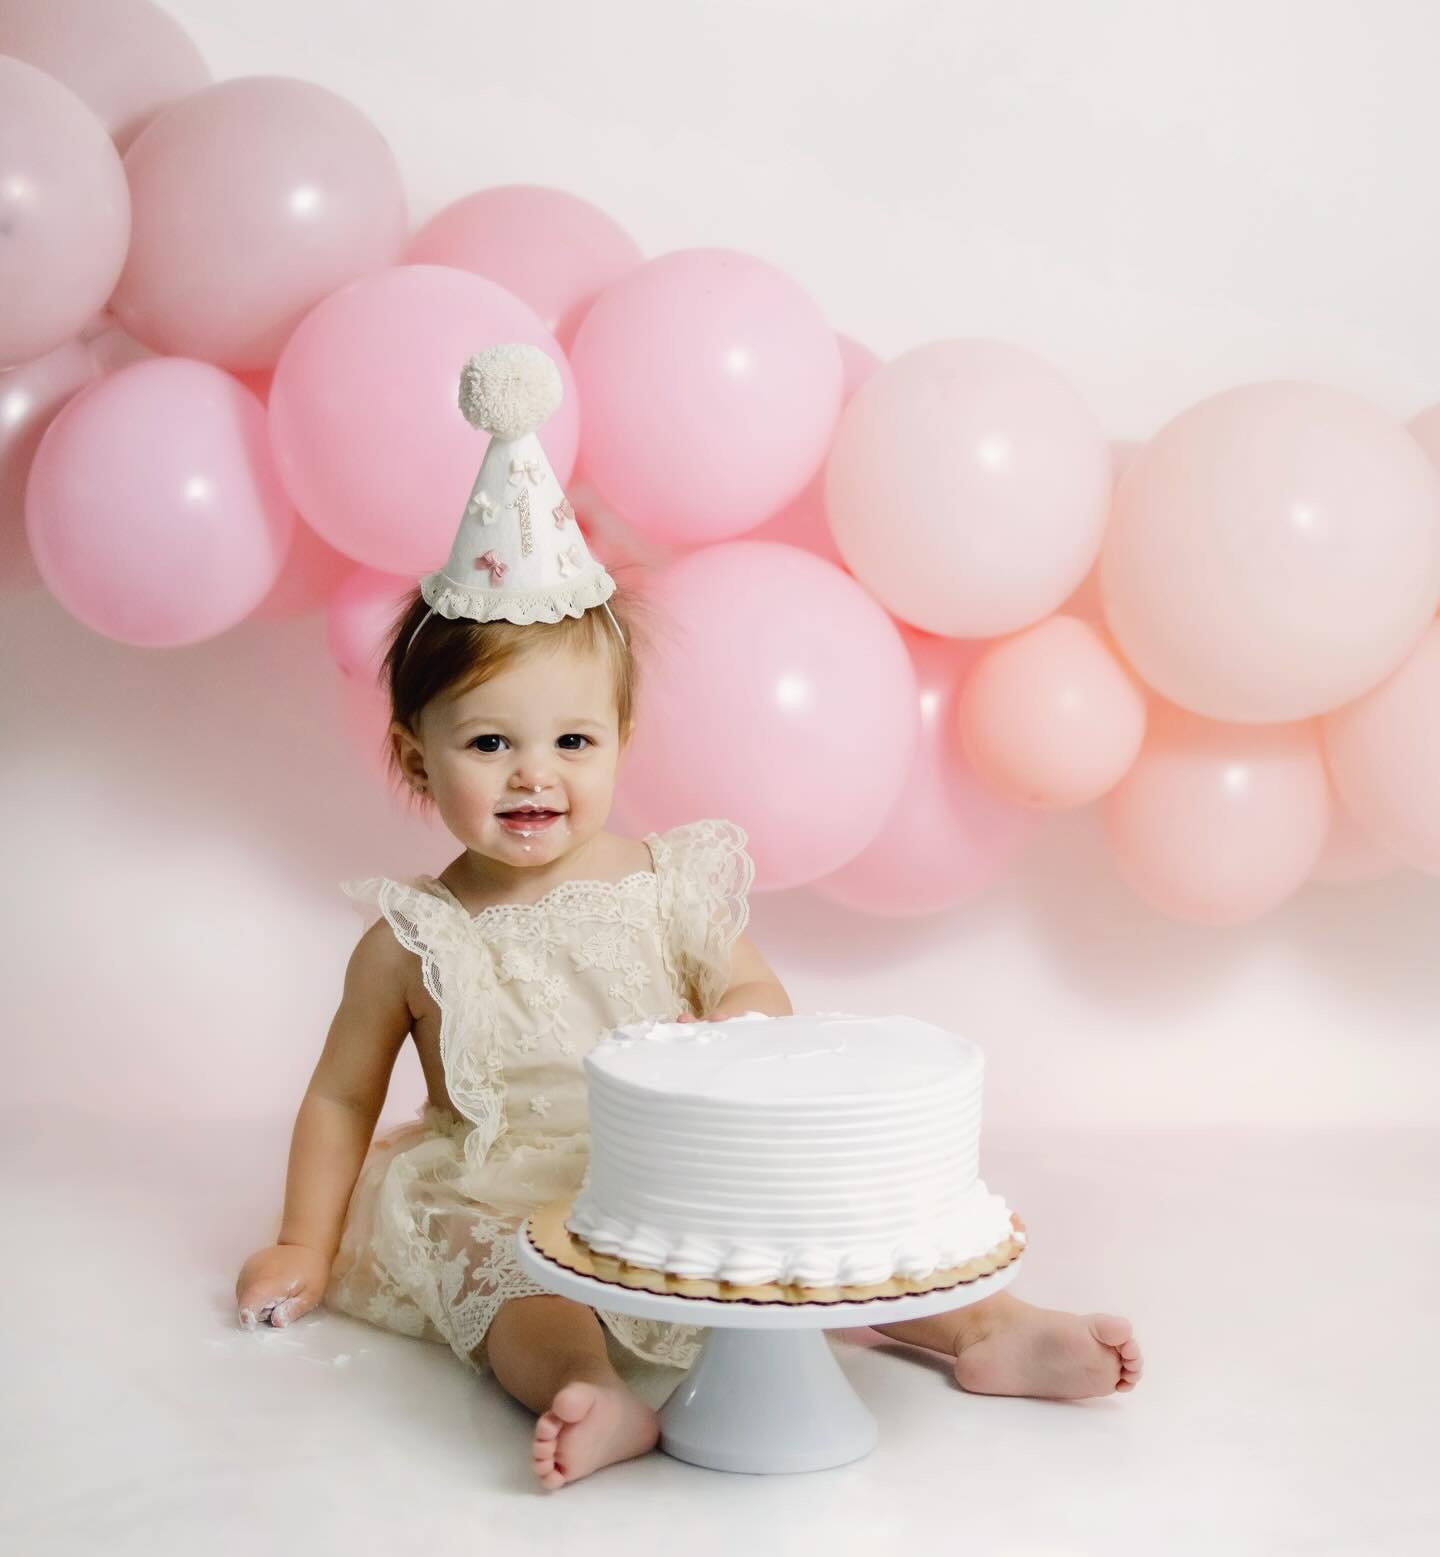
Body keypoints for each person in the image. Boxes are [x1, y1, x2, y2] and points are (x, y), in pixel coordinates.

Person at [235, 344, 1142, 1491]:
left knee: (813, 1238)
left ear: (621, 741)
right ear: (418, 758)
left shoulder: (665, 886)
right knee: (509, 1282)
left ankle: (988, 1329)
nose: (534, 774)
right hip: (504, 1183)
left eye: (573, 740)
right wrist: (304, 1242)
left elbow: (754, 989)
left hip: (672, 1162)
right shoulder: (413, 939)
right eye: (489, 742)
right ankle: (590, 1389)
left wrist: (732, 1039)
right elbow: (342, 1097)